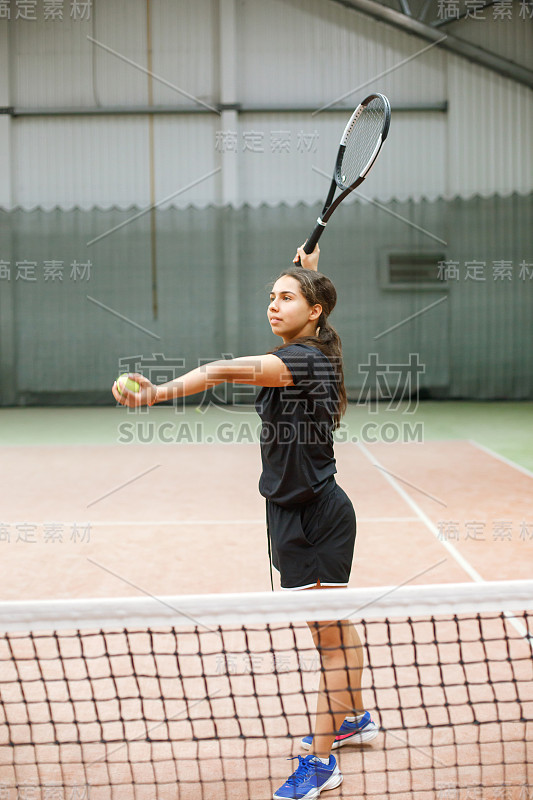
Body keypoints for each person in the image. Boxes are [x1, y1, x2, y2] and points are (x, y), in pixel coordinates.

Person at [112, 243, 378, 800]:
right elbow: (313, 309)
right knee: (330, 629)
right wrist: (308, 273)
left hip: (315, 518)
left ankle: (324, 762)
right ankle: (351, 715)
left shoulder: (300, 362)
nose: (273, 307)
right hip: (291, 512)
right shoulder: (315, 346)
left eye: (287, 298)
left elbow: (217, 371)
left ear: (315, 312)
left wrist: (158, 392)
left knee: (328, 639)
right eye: (272, 298)